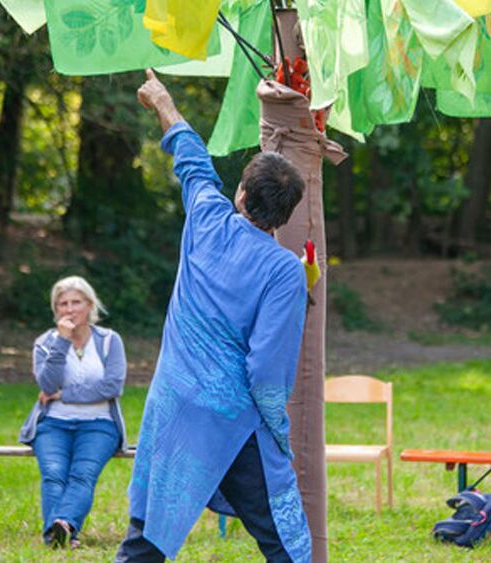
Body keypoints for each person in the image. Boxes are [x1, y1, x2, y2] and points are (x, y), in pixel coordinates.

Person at [114, 70, 311, 562]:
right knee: (287, 542)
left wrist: (162, 100)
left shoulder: (206, 214)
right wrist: (280, 433)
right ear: (285, 217)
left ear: (241, 194)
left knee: (148, 535)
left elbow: (192, 157)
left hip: (173, 403)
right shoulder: (286, 270)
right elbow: (266, 369)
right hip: (231, 419)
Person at [18, 275, 128, 549]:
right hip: (53, 423)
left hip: (99, 424)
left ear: (89, 305)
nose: (69, 309)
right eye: (62, 304)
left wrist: (65, 395)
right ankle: (59, 534)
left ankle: (63, 524)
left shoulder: (109, 341)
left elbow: (112, 386)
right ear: (56, 310)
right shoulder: (45, 343)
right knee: (54, 474)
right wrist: (62, 341)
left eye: (75, 302)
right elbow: (47, 384)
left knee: (82, 475)